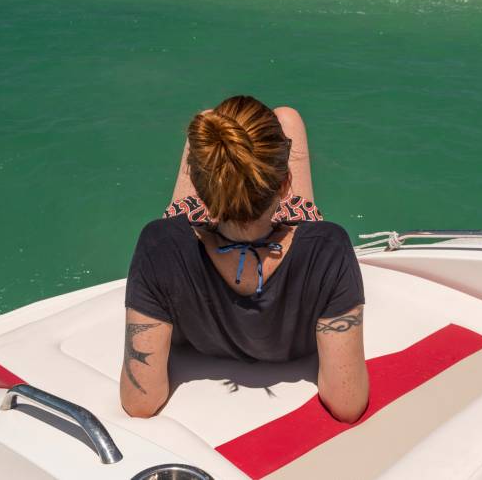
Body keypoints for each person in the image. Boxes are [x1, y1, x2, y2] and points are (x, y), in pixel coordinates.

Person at [120, 96, 369, 423]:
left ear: (196, 186)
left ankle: (223, 156)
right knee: (288, 118)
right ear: (285, 184)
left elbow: (141, 402)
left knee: (209, 121)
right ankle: (252, 159)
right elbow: (347, 404)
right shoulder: (328, 249)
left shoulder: (160, 245)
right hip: (285, 227)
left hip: (203, 221)